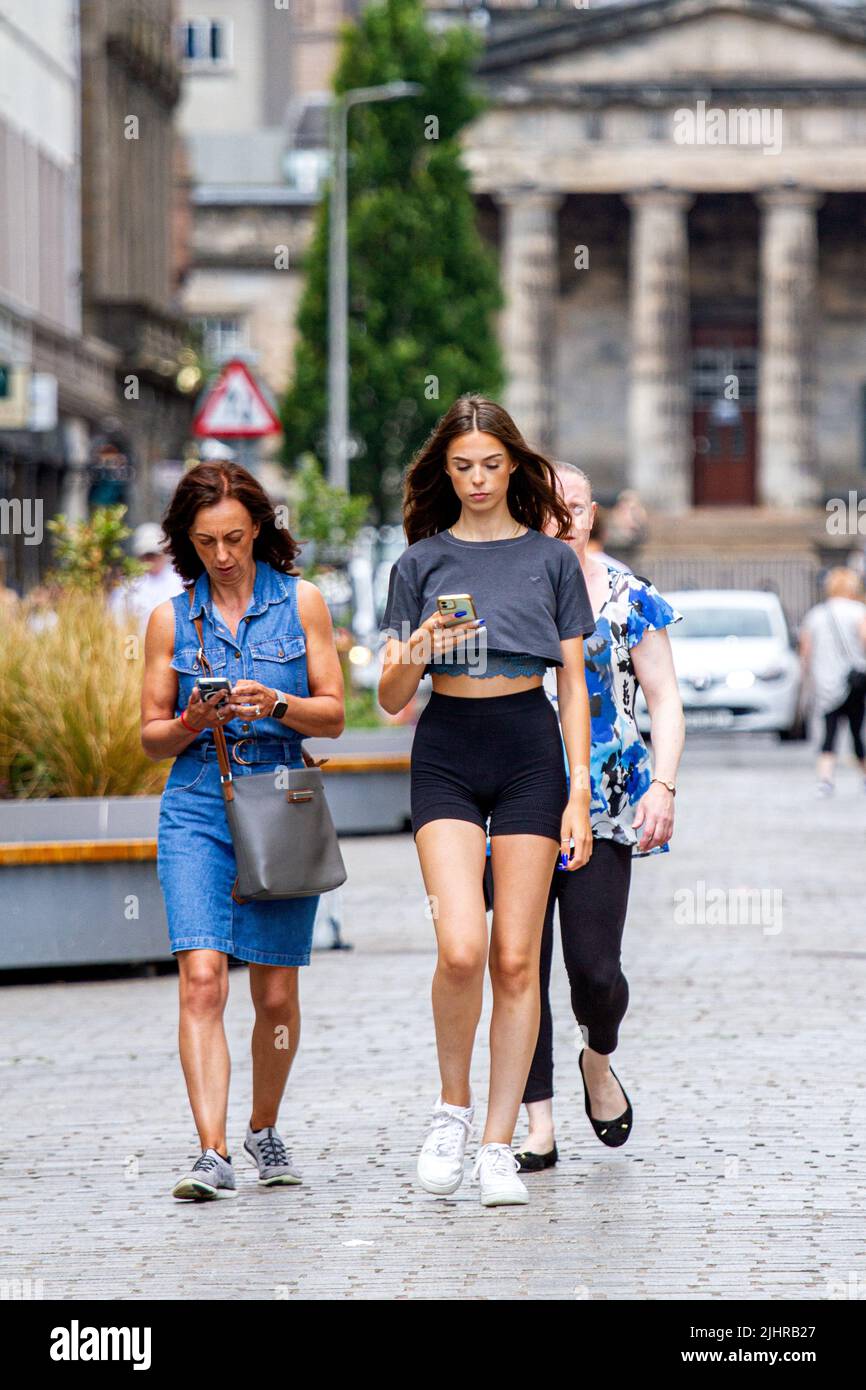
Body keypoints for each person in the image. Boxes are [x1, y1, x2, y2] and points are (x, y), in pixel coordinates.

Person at [378, 394, 596, 1208]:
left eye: (491, 465)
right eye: (462, 466)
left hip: (531, 750)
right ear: (446, 469)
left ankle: (500, 1146)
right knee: (463, 948)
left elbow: (573, 686)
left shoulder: (550, 560)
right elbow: (390, 695)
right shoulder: (419, 563)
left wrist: (577, 794)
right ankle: (451, 1111)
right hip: (446, 750)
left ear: (515, 466)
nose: (476, 480)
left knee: (517, 960)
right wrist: (420, 648)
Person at [140, 460, 345, 1200]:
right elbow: (150, 738)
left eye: (233, 537)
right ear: (186, 541)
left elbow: (336, 715)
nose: (222, 555)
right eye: (205, 542)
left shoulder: (305, 603)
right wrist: (192, 720)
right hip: (197, 803)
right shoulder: (171, 618)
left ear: (258, 527)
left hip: (281, 800)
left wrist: (276, 703)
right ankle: (212, 1151)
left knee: (277, 995)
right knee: (201, 980)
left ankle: (263, 1128)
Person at [482, 462, 684, 1169]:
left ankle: (598, 1059)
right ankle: (537, 1124)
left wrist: (663, 786)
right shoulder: (507, 592)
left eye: (570, 508)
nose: (558, 521)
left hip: (606, 806)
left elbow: (663, 700)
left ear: (590, 515)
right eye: (545, 508)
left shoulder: (629, 596)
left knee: (595, 973)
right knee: (519, 967)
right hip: (518, 800)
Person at [799, 566, 866, 796]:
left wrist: (807, 679)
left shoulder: (816, 614)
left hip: (826, 683)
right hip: (854, 682)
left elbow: (805, 652)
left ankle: (825, 779)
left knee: (828, 732)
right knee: (858, 731)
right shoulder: (858, 611)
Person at [110, 522, 184, 627]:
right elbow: (117, 621)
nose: (151, 560)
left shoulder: (181, 580)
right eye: (147, 555)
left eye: (155, 554)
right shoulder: (126, 586)